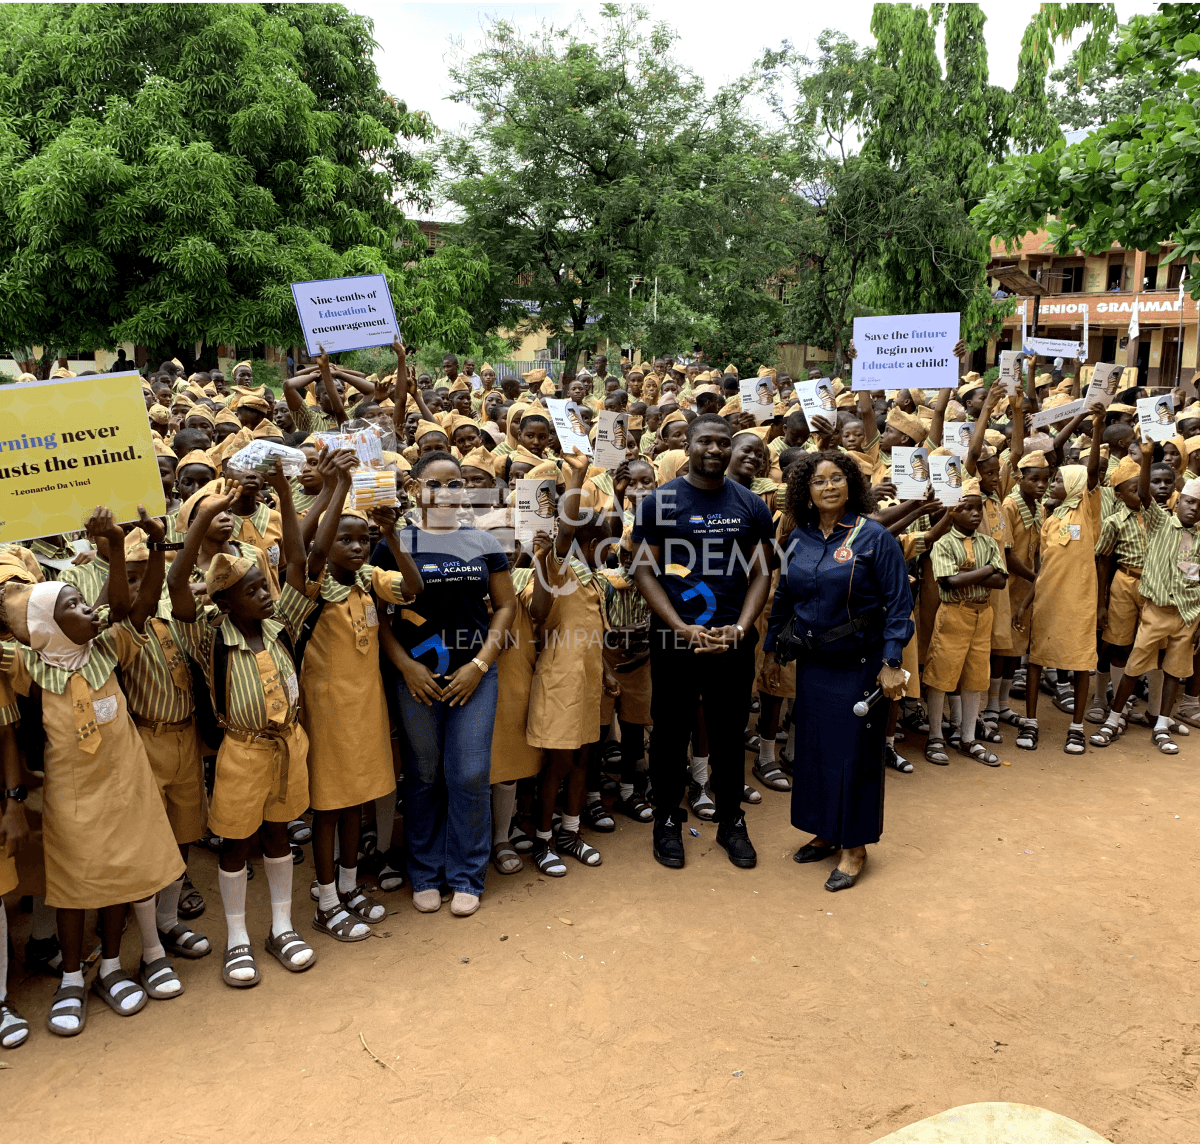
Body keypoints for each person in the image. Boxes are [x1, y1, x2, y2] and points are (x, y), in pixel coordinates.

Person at [0, 509, 186, 1035]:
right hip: (72, 798)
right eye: (74, 606)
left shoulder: (106, 647)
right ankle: (73, 977)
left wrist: (143, 547)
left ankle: (110, 965)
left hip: (125, 786)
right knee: (75, 882)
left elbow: (137, 606)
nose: (90, 609)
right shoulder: (25, 666)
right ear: (45, 628)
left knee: (123, 875)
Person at [168, 466, 318, 987]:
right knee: (235, 843)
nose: (265, 595)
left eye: (263, 586)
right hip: (242, 751)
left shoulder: (280, 626)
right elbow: (176, 589)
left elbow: (297, 560)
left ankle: (281, 926)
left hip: (286, 747)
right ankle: (237, 937)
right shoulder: (211, 637)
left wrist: (282, 493)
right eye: (252, 591)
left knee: (279, 834)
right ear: (226, 602)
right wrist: (204, 517)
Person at [281, 450, 423, 942]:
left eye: (362, 539)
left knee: (357, 801)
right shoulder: (311, 590)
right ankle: (324, 899)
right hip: (326, 714)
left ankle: (346, 887)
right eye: (347, 539)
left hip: (365, 711)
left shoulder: (368, 582)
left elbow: (413, 587)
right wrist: (336, 486)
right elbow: (310, 554)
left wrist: (390, 536)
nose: (357, 547)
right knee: (329, 807)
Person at [373, 451, 516, 918]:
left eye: (457, 484)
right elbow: (380, 618)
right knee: (424, 773)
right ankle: (426, 872)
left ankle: (466, 874)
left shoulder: (482, 541)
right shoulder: (393, 542)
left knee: (470, 773)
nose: (449, 493)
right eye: (438, 484)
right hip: (417, 679)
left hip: (474, 674)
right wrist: (405, 667)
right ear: (415, 488)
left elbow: (504, 607)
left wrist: (479, 664)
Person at [762, 452, 913, 891]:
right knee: (815, 752)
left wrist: (891, 662)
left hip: (860, 666)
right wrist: (771, 653)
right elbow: (783, 600)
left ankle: (855, 848)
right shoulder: (800, 539)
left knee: (854, 757)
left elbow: (899, 605)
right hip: (814, 665)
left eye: (837, 478)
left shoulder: (874, 537)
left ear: (851, 485)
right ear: (804, 492)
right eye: (818, 481)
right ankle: (827, 832)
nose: (828, 486)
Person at [631, 413, 774, 870]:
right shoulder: (660, 502)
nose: (715, 450)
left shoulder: (751, 505)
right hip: (677, 639)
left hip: (731, 640)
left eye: (723, 443)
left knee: (730, 734)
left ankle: (732, 820)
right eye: (705, 442)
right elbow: (643, 570)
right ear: (687, 446)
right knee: (670, 733)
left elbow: (761, 573)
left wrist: (741, 627)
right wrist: (679, 626)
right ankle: (668, 822)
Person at [922, 478, 1008, 767]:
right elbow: (949, 582)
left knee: (975, 677)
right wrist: (985, 570)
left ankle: (968, 737)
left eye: (979, 509)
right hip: (953, 612)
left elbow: (1001, 581)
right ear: (953, 512)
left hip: (982, 613)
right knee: (941, 676)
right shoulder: (943, 541)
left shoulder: (988, 541)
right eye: (968, 508)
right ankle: (935, 735)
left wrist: (972, 574)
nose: (975, 514)